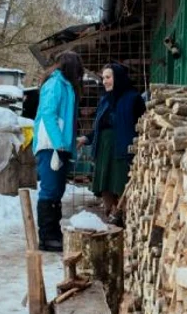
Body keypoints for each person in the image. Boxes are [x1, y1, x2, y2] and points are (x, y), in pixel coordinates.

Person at [77, 63, 146, 224]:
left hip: (123, 148)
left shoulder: (133, 98)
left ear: (118, 78)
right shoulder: (105, 100)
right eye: (103, 78)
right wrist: (86, 138)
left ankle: (123, 215)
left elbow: (141, 126)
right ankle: (111, 214)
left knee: (121, 182)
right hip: (104, 149)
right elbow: (99, 128)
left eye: (108, 77)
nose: (104, 81)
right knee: (106, 185)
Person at [33, 51, 84, 252]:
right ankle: (47, 237)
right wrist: (58, 141)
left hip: (59, 145)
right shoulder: (55, 84)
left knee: (57, 190)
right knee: (50, 190)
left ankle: (53, 233)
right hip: (50, 145)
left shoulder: (65, 85)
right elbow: (48, 112)